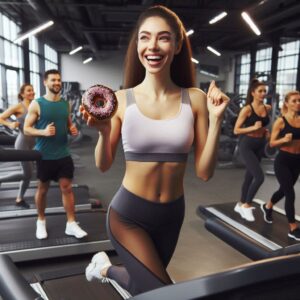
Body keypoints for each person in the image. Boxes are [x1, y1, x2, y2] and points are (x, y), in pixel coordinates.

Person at [81, 5, 229, 296]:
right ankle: (105, 268)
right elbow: (103, 164)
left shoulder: (196, 100)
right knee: (162, 293)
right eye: (145, 37)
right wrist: (104, 132)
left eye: (163, 38)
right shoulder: (121, 99)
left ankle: (103, 268)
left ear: (176, 45)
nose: (153, 46)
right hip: (128, 215)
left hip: (172, 215)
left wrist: (216, 121)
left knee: (145, 288)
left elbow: (204, 173)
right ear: (138, 45)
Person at [24, 69, 87, 240]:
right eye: (53, 80)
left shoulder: (64, 104)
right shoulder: (37, 104)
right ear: (45, 82)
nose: (57, 83)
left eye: (59, 80)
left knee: (67, 188)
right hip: (44, 155)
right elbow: (26, 128)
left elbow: (67, 124)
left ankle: (71, 224)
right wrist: (43, 132)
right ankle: (41, 221)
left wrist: (71, 129)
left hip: (63, 154)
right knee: (42, 190)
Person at [261, 91, 300, 240]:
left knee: (284, 190)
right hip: (283, 161)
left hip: (297, 162)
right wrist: (284, 139)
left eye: (299, 100)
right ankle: (292, 227)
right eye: (294, 101)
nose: (298, 103)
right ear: (287, 103)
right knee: (290, 193)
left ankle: (268, 206)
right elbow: (272, 143)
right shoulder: (281, 121)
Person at [233, 78, 271, 221]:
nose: (263, 94)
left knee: (249, 176)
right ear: (253, 93)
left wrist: (264, 131)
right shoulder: (247, 109)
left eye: (264, 91)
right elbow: (236, 130)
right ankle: (247, 205)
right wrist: (253, 128)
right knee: (259, 177)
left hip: (260, 144)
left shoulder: (267, 108)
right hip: (247, 144)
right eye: (260, 91)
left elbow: (264, 124)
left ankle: (241, 203)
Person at [0, 84, 36, 208]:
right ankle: (1, 179)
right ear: (22, 94)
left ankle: (19, 198)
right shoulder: (18, 107)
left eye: (32, 90)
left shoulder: (35, 105)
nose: (32, 92)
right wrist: (10, 124)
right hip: (22, 143)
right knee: (28, 174)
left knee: (28, 175)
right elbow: (1, 118)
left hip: (33, 143)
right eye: (29, 90)